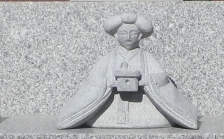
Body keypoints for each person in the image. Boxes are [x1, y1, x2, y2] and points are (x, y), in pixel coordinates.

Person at [57, 13, 198, 130]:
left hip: (143, 106)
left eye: (133, 33)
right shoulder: (108, 58)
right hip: (109, 106)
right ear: (116, 36)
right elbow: (93, 81)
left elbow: (162, 79)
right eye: (123, 33)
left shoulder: (147, 57)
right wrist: (109, 82)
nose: (128, 37)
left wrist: (145, 81)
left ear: (139, 36)